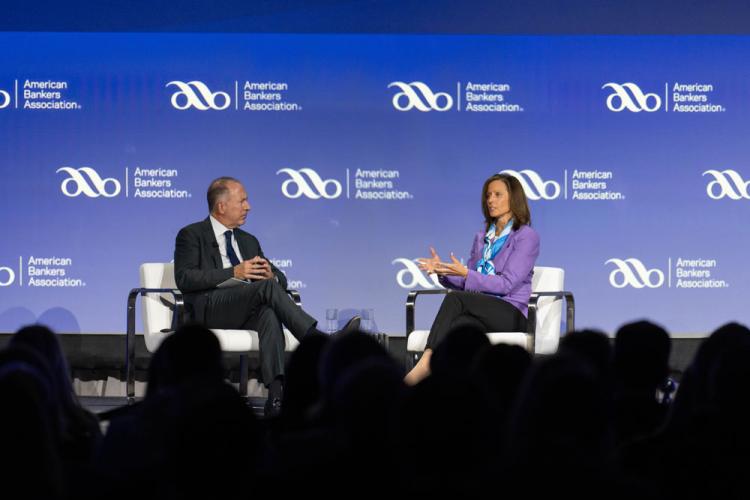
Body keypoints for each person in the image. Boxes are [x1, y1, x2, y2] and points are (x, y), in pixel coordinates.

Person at [174, 176, 360, 416]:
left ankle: (276, 397)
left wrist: (272, 274)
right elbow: (185, 278)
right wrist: (233, 272)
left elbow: (280, 279)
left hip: (244, 307)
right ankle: (318, 341)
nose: (248, 207)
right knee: (266, 289)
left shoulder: (248, 240)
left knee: (269, 313)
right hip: (208, 308)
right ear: (221, 207)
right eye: (242, 201)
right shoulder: (191, 234)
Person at [404, 173, 540, 385]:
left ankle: (425, 364)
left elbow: (506, 284)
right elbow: (469, 281)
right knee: (460, 325)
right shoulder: (482, 237)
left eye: (497, 195)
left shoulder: (525, 236)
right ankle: (451, 387)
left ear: (513, 198)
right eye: (488, 195)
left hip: (512, 313)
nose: (490, 200)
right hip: (480, 309)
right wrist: (443, 272)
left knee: (455, 299)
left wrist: (467, 274)